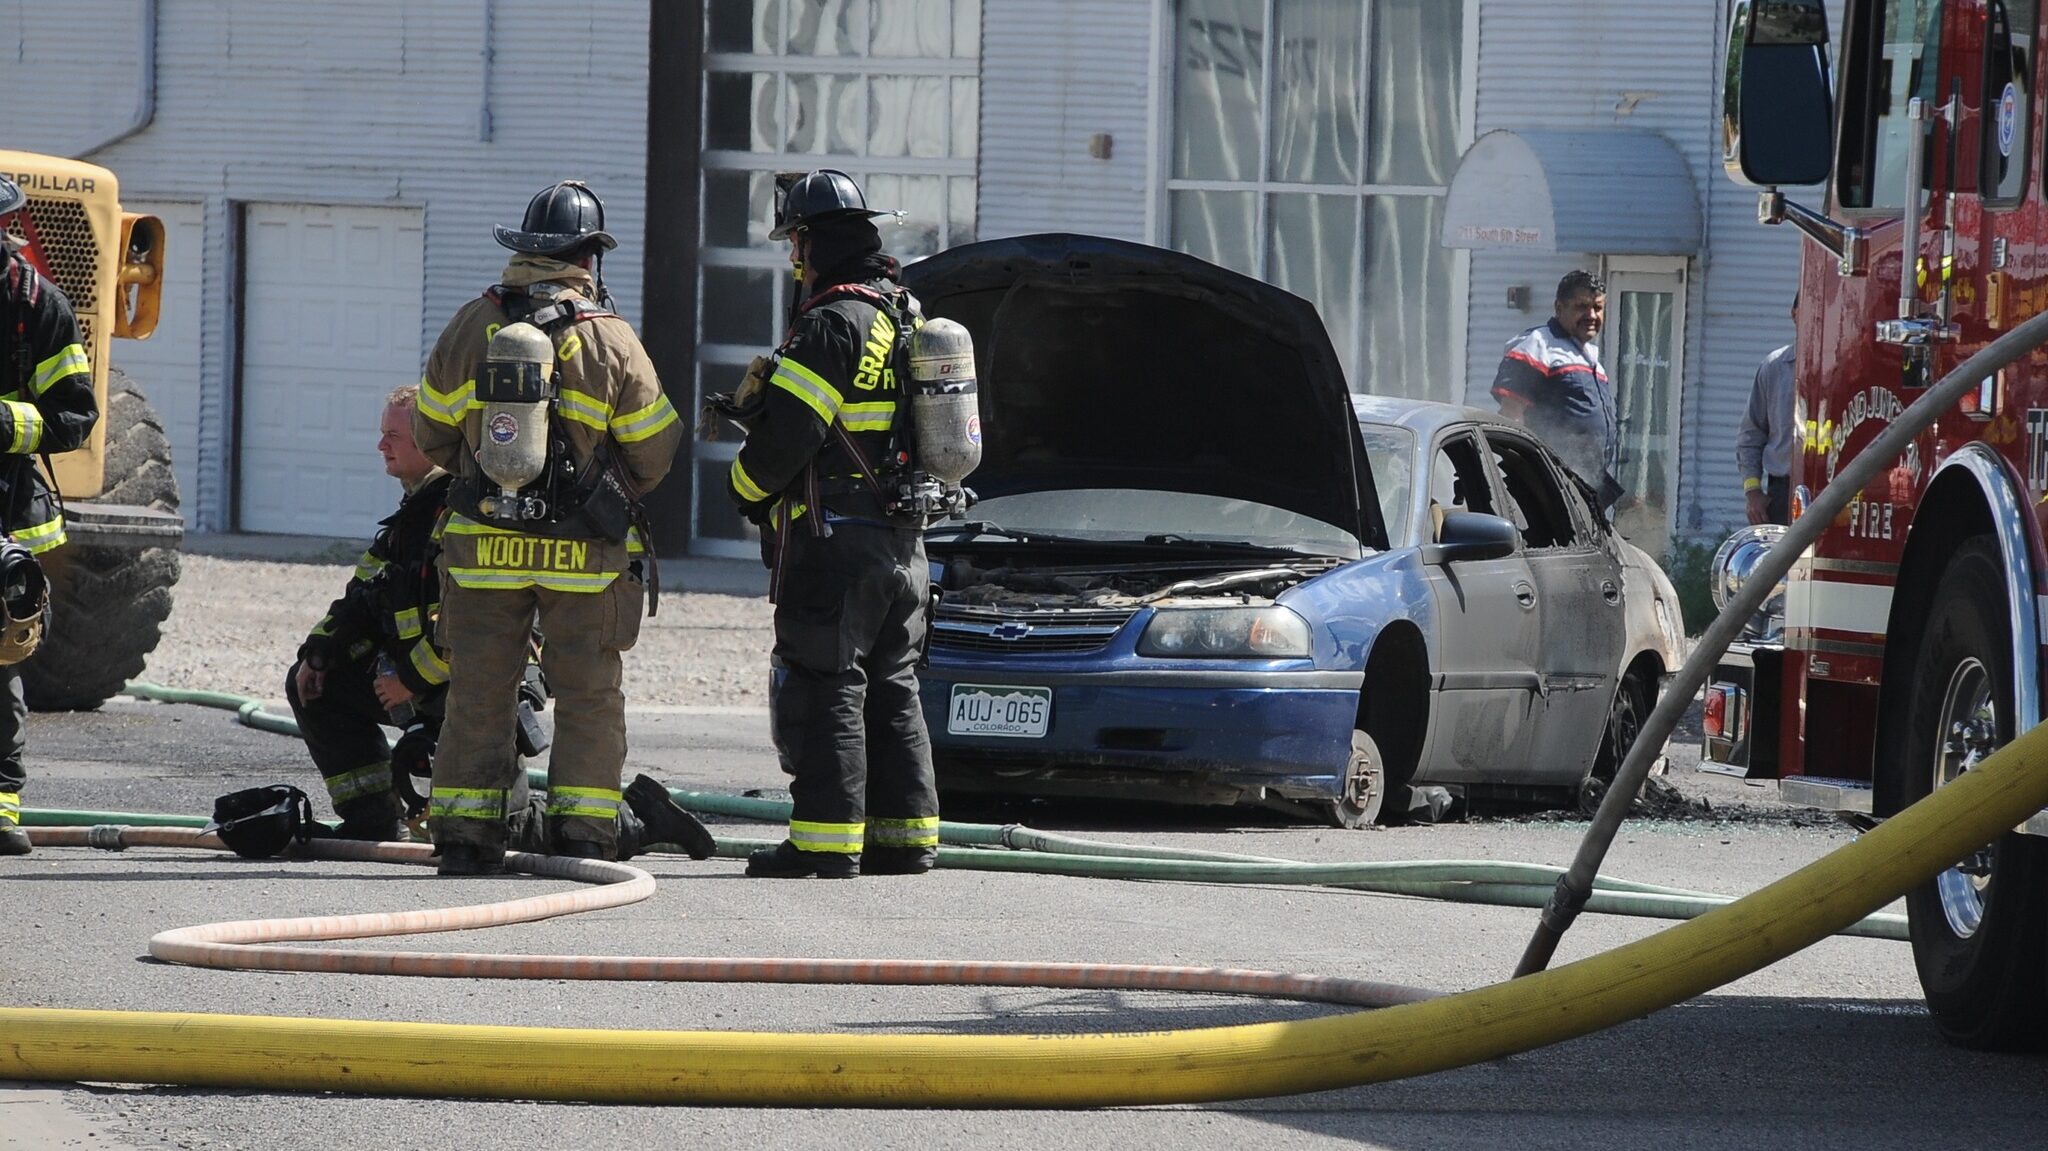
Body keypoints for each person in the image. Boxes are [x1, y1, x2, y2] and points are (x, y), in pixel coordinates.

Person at [413, 179, 689, 875]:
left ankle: (466, 836)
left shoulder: (470, 326)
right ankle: (585, 836)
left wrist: (483, 468)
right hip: (585, 555)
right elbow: (655, 451)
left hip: (480, 550)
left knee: (479, 686)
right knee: (590, 691)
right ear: (588, 259)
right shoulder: (611, 341)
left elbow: (431, 435)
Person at [724, 168, 940, 879]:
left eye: (796, 243)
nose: (794, 258)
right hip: (905, 543)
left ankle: (823, 843)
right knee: (893, 683)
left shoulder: (829, 322)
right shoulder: (902, 312)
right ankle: (905, 838)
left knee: (827, 682)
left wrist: (743, 487)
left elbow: (789, 437)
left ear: (814, 243)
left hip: (836, 541)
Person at [286, 385, 454, 841]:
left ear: (430, 440)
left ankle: (479, 825)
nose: (381, 446)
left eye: (392, 437)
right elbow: (360, 595)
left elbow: (473, 629)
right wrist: (319, 653)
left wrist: (409, 682)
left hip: (464, 686)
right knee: (315, 684)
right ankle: (373, 820)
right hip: (413, 680)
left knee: (474, 820)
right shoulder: (409, 519)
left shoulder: (459, 514)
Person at [0, 175, 99, 857]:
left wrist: (6, 422)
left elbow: (75, 416)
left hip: (5, 510)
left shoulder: (39, 305)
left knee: (1, 658)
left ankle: (1, 807)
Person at [1491, 270, 1622, 509]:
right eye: (1582, 307)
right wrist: (1528, 476)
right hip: (1549, 487)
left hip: (1583, 485)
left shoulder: (1589, 357)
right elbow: (1511, 415)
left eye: (1598, 307)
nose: (1591, 315)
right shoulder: (1537, 345)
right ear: (1559, 308)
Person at [1737, 298, 1797, 526]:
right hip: (1782, 493)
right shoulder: (1774, 368)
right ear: (1794, 314)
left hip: (1834, 495)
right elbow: (1750, 436)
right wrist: (1753, 492)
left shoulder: (1844, 366)